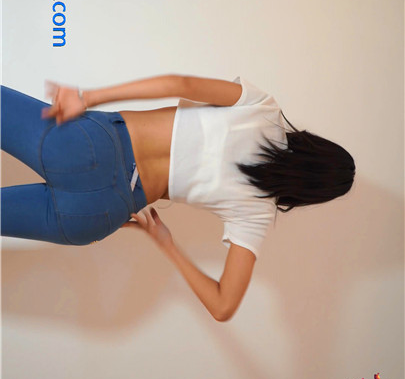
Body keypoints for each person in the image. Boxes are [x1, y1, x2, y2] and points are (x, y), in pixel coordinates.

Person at [0, 74, 355, 321]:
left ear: (316, 145)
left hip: (88, 147)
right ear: (310, 193)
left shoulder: (263, 110)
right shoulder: (258, 213)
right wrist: (165, 243)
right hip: (98, 213)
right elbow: (223, 307)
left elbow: (179, 84)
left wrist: (87, 98)